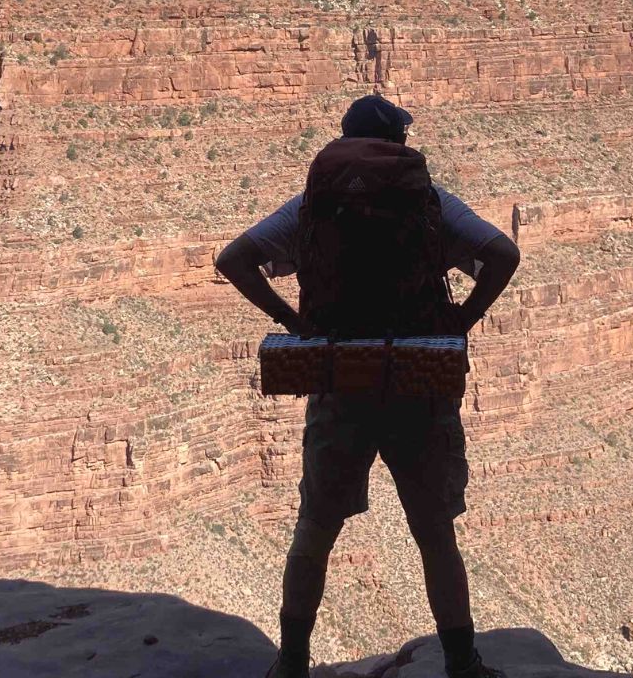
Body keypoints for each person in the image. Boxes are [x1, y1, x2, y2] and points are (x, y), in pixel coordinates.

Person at [216, 94, 521, 678]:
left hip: (342, 378)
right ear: (400, 145)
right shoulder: (429, 202)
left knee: (317, 525)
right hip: (418, 379)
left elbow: (235, 259)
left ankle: (292, 665)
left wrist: (292, 321)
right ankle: (463, 664)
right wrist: (462, 319)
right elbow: (503, 254)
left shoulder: (313, 204)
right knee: (434, 532)